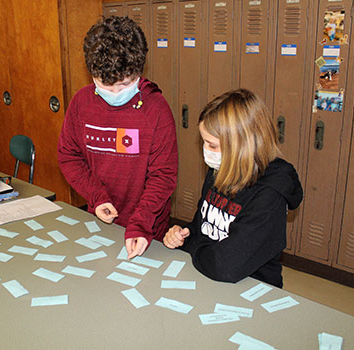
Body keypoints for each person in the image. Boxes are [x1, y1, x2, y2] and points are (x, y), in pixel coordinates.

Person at [58, 16, 178, 259]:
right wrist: (96, 196)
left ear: (137, 73)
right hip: (100, 220)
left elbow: (163, 175)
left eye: (124, 85)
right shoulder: (81, 102)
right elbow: (69, 157)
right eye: (105, 85)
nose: (114, 93)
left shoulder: (156, 108)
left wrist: (141, 223)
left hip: (148, 228)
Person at [163, 89, 303, 288]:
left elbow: (225, 266)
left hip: (250, 287)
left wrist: (192, 244)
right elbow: (201, 225)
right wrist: (183, 234)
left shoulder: (269, 196)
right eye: (204, 142)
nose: (206, 151)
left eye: (212, 145)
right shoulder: (220, 169)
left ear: (242, 147)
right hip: (208, 274)